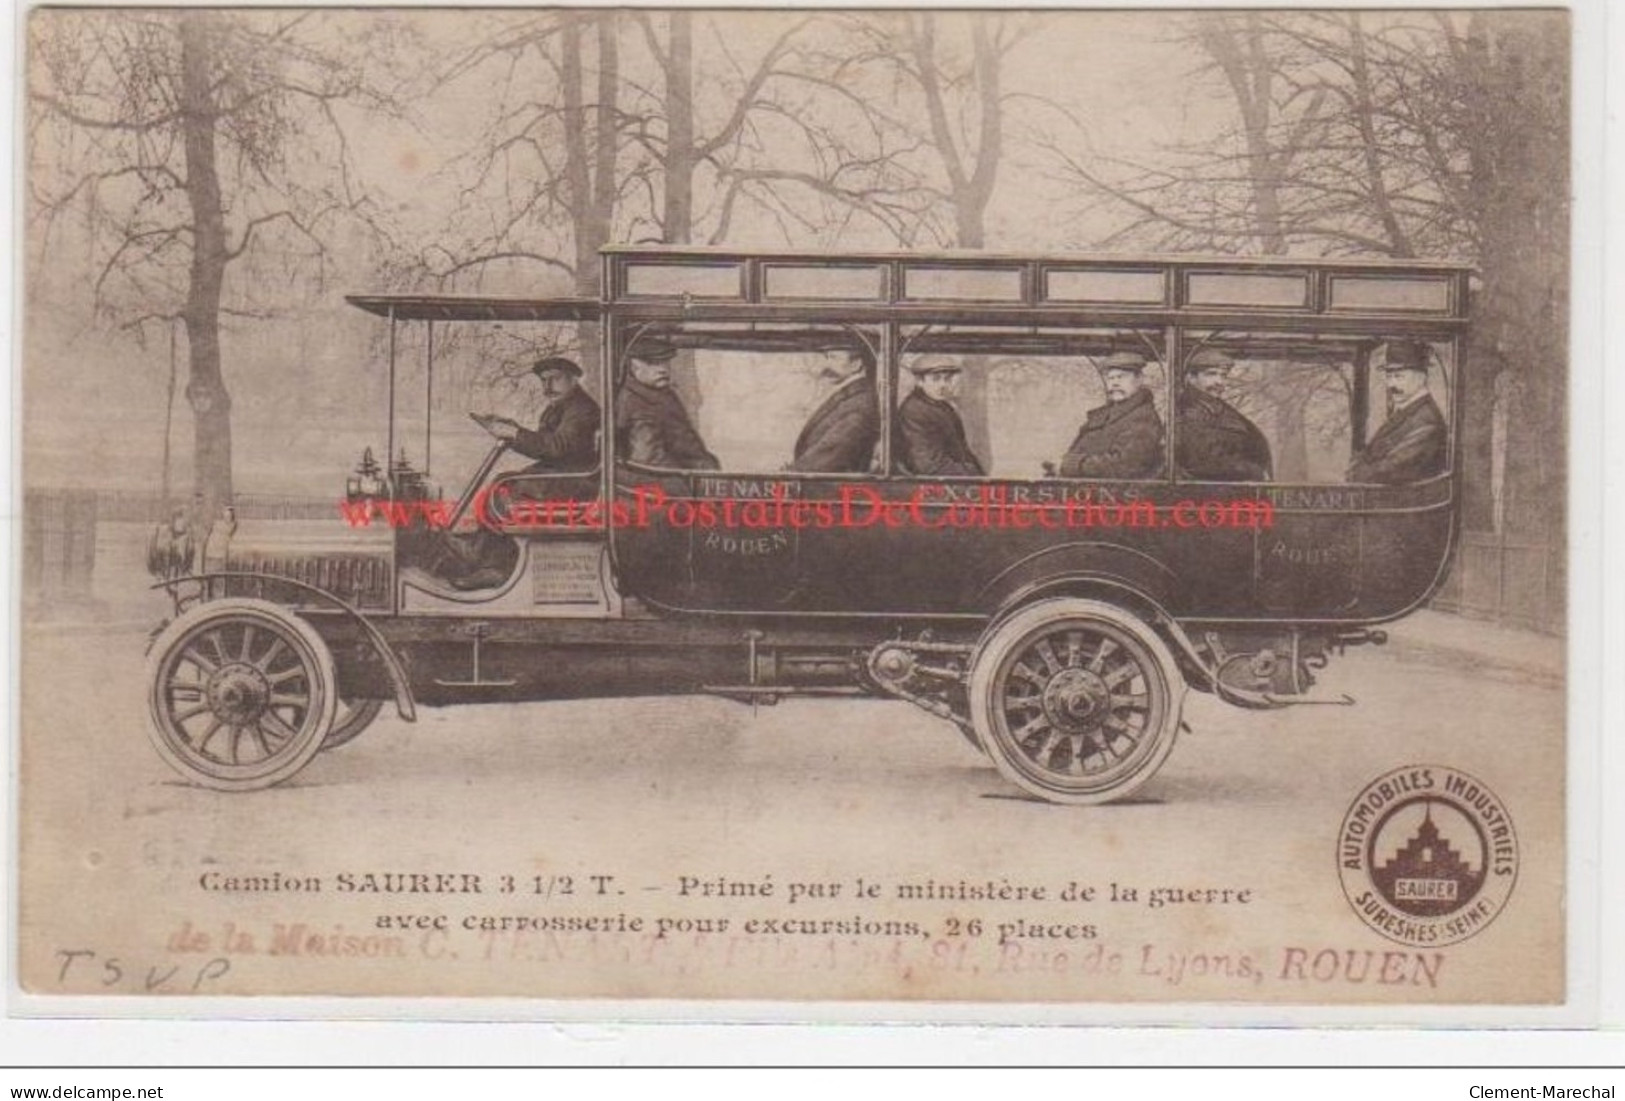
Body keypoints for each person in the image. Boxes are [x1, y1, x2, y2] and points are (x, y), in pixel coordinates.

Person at [1346, 340, 1448, 484]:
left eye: (1399, 377)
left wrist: (1358, 472)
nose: (1391, 385)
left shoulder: (1427, 420)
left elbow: (1394, 469)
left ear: (1421, 378)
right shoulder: (1406, 412)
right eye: (1389, 377)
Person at [476, 356, 600, 473]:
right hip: (562, 472)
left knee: (506, 487)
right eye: (544, 380)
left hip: (576, 476)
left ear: (573, 380)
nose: (548, 387)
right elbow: (543, 446)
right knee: (504, 482)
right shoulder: (558, 407)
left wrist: (515, 433)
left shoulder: (582, 408)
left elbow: (557, 448)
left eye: (556, 379)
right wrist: (513, 431)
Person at [1058, 351, 1165, 479]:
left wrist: (1074, 465)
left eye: (1121, 377)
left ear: (1139, 379)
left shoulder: (1143, 418)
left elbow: (1126, 465)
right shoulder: (1105, 414)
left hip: (1122, 495)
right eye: (1110, 378)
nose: (1114, 383)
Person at [615, 341, 721, 470]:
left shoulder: (662, 394)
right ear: (634, 366)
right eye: (653, 364)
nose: (663, 369)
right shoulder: (635, 402)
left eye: (665, 362)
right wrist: (690, 481)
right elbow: (649, 460)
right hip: (666, 483)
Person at [1176, 347, 1271, 481]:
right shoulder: (1187, 411)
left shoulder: (1216, 407)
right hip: (1208, 494)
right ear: (1191, 378)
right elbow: (1203, 462)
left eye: (1223, 375)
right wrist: (1253, 471)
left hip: (1233, 490)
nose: (1219, 382)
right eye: (1211, 374)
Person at [788, 346, 879, 474]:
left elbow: (831, 452)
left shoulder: (860, 401)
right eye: (827, 357)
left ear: (856, 364)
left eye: (834, 358)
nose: (826, 365)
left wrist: (790, 473)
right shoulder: (850, 394)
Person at [895, 358, 984, 476]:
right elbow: (928, 465)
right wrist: (972, 474)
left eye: (947, 379)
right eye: (936, 379)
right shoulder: (914, 410)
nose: (943, 385)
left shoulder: (943, 406)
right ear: (920, 381)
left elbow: (961, 451)